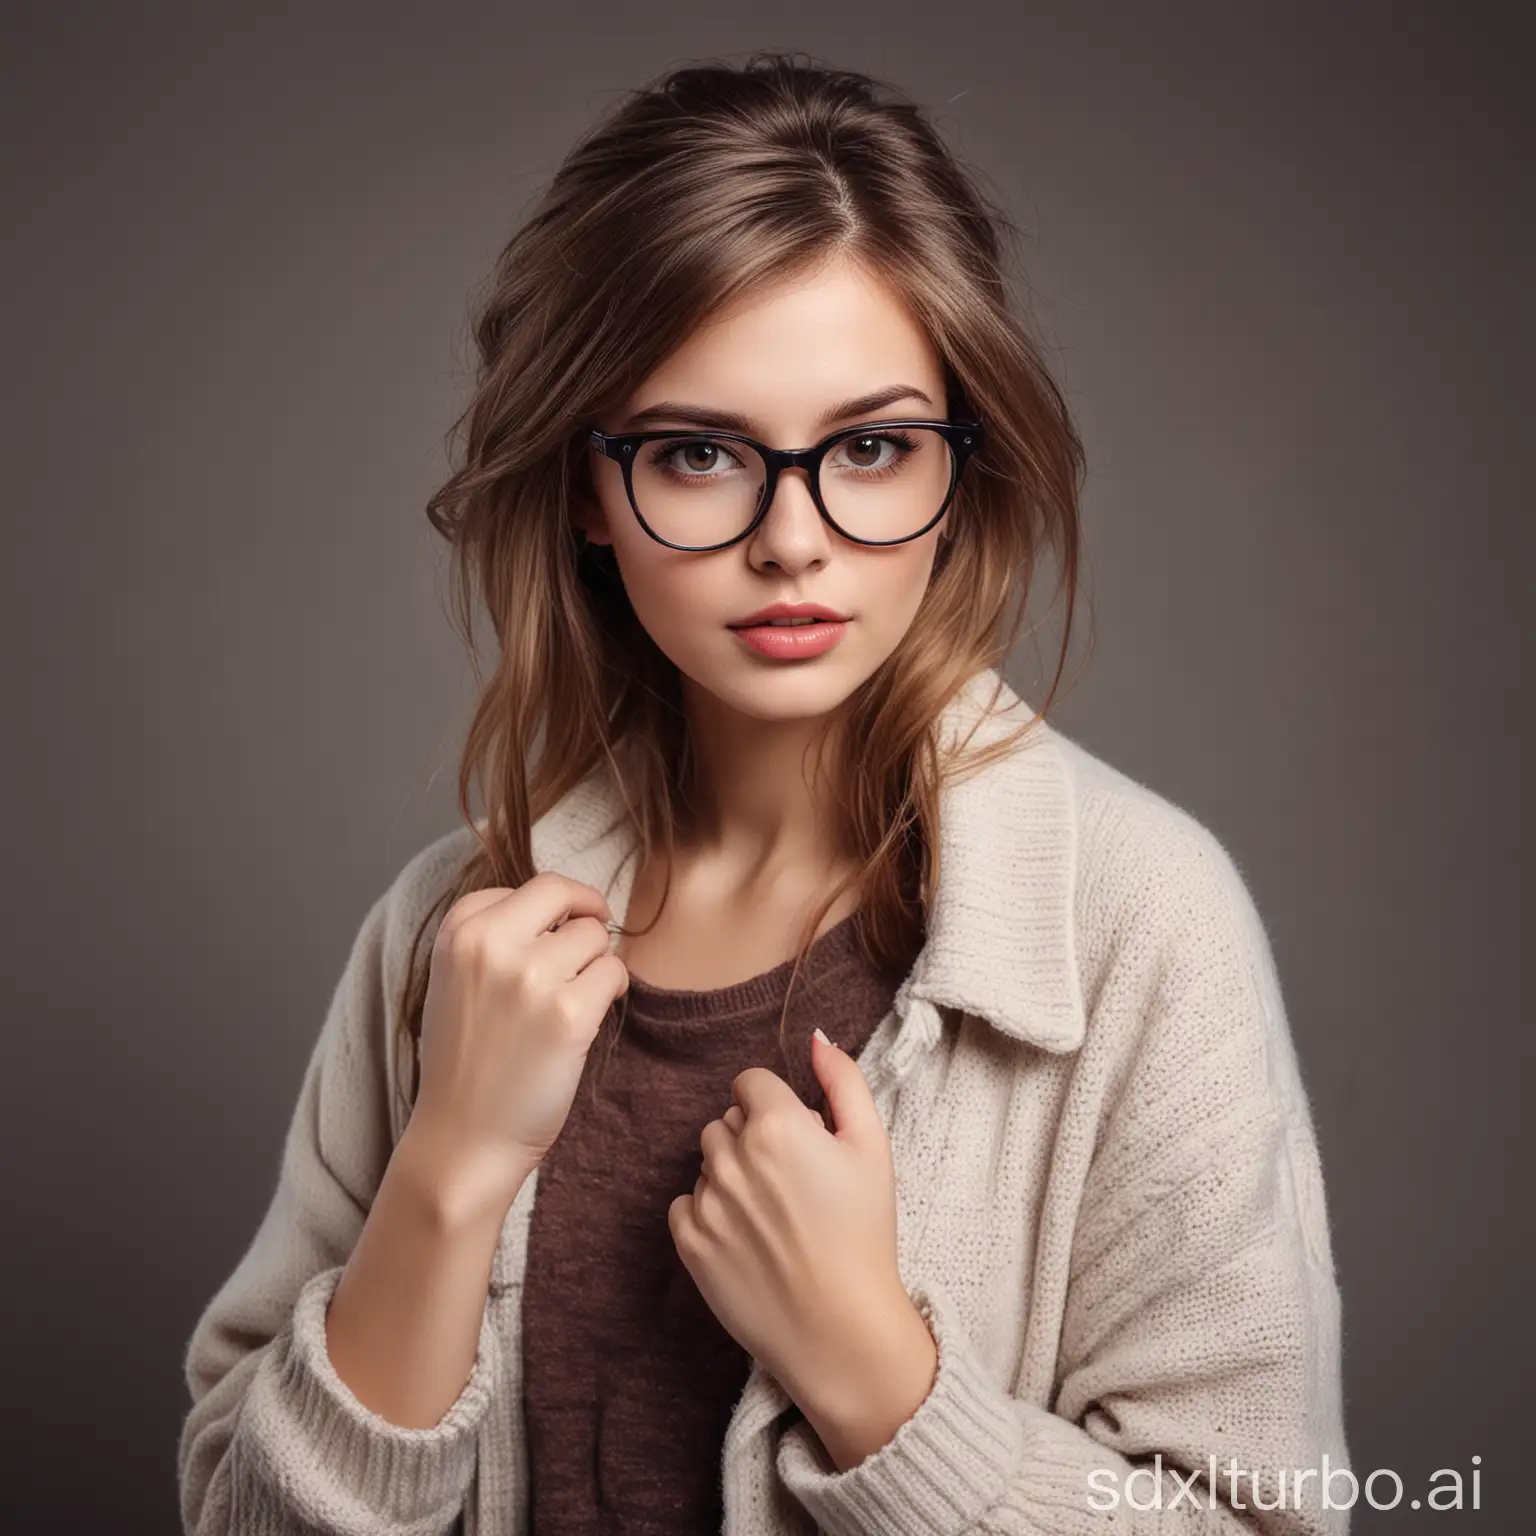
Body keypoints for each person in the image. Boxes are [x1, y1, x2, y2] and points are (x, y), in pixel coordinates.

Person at [177, 52, 1349, 1536]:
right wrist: (449, 1169)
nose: (794, 539)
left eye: (869, 448)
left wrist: (879, 1381)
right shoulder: (448, 936)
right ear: (590, 492)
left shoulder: (1130, 922)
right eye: (697, 454)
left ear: (963, 465)